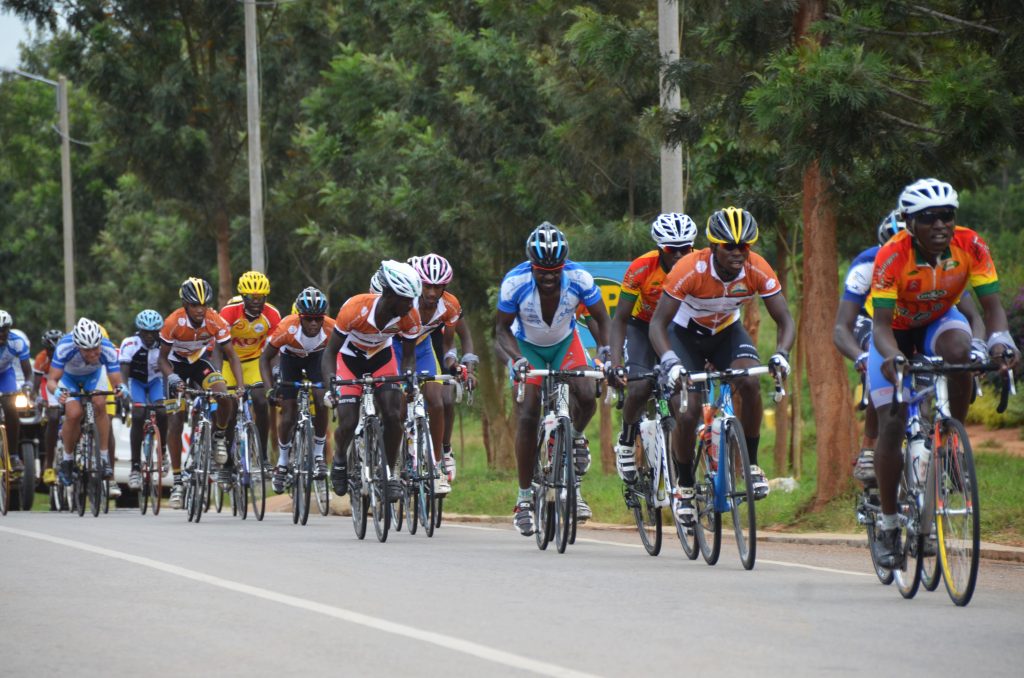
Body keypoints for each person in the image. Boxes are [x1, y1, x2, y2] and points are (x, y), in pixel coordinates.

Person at [868, 178, 1018, 568]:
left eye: (947, 217)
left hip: (938, 320)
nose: (940, 225)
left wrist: (1000, 341)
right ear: (909, 223)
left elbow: (992, 310)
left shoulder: (971, 245)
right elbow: (880, 326)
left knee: (961, 352)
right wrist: (893, 357)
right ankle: (887, 524)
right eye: (929, 218)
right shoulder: (891, 256)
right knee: (893, 421)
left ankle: (951, 444)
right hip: (894, 332)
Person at [649, 207, 795, 524]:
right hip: (684, 335)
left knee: (751, 382)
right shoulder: (690, 268)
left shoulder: (757, 268)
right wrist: (670, 361)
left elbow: (784, 319)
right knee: (688, 411)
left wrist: (782, 352)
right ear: (714, 246)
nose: (738, 253)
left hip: (726, 332)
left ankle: (752, 466)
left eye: (745, 246)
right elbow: (658, 324)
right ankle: (685, 486)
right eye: (729, 246)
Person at [833, 211, 983, 485]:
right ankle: (869, 447)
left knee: (930, 375)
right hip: (877, 322)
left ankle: (945, 443)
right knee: (880, 364)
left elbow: (971, 315)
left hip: (922, 322)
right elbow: (844, 326)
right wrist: (860, 356)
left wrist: (976, 349)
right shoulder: (867, 264)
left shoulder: (940, 266)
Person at [495, 222, 611, 536]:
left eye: (554, 271)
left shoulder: (579, 279)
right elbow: (500, 331)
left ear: (564, 265)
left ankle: (574, 439)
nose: (548, 277)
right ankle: (523, 498)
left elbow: (601, 319)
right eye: (541, 271)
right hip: (527, 348)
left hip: (564, 343)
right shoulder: (514, 282)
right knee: (529, 415)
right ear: (531, 265)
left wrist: (606, 354)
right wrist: (515, 359)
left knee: (587, 394)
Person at [607, 213, 697, 495]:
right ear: (660, 248)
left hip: (678, 328)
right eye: (673, 250)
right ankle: (626, 439)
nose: (681, 255)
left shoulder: (700, 266)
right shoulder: (641, 268)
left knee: (686, 393)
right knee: (640, 386)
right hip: (642, 327)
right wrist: (616, 363)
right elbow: (620, 319)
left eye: (687, 248)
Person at [322, 261, 423, 500]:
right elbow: (330, 352)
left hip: (381, 358)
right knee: (347, 421)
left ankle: (388, 474)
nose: (411, 306)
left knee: (392, 413)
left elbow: (408, 357)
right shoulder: (355, 309)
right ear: (389, 294)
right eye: (407, 299)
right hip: (350, 360)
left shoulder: (409, 317)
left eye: (413, 300)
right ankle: (339, 459)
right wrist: (332, 383)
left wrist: (409, 379)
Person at [158, 277, 245, 509]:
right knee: (175, 421)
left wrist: (241, 386)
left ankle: (219, 435)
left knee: (223, 393)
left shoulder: (214, 320)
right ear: (185, 304)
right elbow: (161, 359)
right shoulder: (173, 322)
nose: (200, 310)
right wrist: (172, 377)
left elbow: (232, 355)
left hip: (198, 362)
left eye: (204, 304)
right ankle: (177, 481)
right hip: (174, 366)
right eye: (195, 305)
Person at [398, 254, 478, 493]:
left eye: (438, 287)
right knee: (399, 406)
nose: (432, 293)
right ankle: (396, 459)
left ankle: (436, 465)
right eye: (427, 286)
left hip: (422, 348)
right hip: (396, 346)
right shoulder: (404, 300)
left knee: (437, 400)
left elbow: (448, 343)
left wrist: (462, 367)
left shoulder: (450, 305)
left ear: (445, 286)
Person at [260, 287, 336, 493]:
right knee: (288, 415)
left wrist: (335, 385)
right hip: (290, 361)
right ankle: (283, 462)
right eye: (308, 319)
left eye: (318, 319)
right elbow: (265, 358)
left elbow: (342, 356)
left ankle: (319, 454)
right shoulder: (286, 327)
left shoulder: (331, 328)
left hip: (317, 360)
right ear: (299, 317)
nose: (313, 324)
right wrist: (270, 389)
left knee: (322, 401)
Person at [47, 318, 127, 486]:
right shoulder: (64, 347)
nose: (92, 354)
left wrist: (121, 388)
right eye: (87, 350)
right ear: (77, 347)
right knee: (74, 413)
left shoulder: (108, 349)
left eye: (95, 349)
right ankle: (68, 460)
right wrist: (57, 391)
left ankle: (104, 458)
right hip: (69, 379)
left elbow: (116, 380)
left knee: (99, 404)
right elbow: (52, 380)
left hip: (94, 377)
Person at [220, 271, 281, 460]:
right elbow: (220, 345)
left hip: (255, 361)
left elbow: (275, 350)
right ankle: (228, 462)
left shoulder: (272, 315)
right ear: (243, 297)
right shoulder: (229, 312)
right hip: (228, 362)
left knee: (261, 401)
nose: (256, 302)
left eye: (260, 298)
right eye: (251, 298)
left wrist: (276, 374)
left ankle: (262, 453)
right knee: (229, 407)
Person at [119, 310, 169, 491]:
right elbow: (123, 369)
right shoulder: (130, 343)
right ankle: (135, 468)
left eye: (153, 332)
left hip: (155, 381)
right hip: (137, 382)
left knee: (162, 411)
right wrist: (123, 389)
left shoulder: (164, 344)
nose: (149, 336)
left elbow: (168, 369)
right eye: (145, 332)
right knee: (138, 414)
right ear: (139, 331)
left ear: (158, 331)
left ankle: (162, 452)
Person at [0, 310, 33, 473]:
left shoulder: (17, 342)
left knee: (11, 407)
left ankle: (13, 455)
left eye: (3, 330)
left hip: (6, 374)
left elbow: (28, 372)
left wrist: (27, 386)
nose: (0, 335)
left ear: (9, 329)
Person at [32, 328, 64, 484]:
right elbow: (37, 384)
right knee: (53, 416)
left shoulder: (66, 355)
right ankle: (48, 465)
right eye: (51, 351)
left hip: (64, 381)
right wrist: (37, 399)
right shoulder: (41, 358)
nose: (54, 354)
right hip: (48, 384)